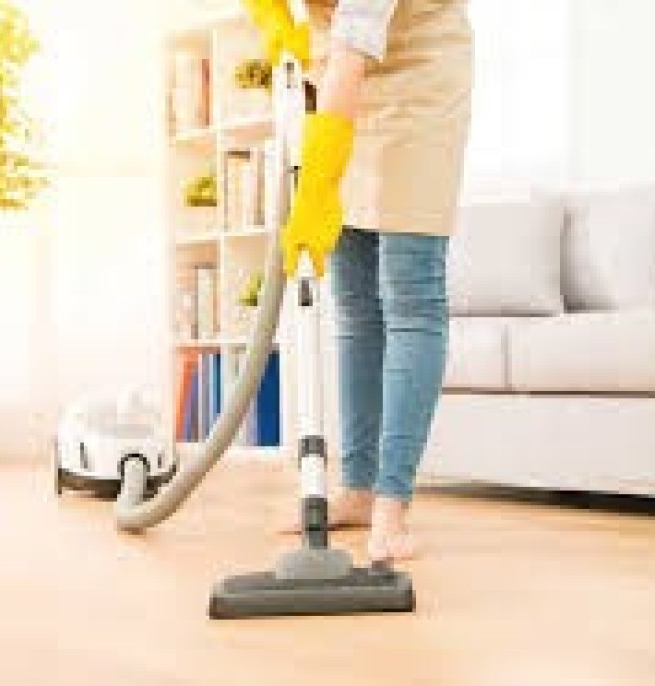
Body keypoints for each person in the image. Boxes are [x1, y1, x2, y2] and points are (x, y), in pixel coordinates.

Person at [242, 0, 473, 562]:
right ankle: (358, 490)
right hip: (337, 82)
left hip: (418, 76)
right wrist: (275, 23)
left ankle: (392, 505)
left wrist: (317, 187)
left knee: (410, 291)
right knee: (354, 304)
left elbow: (354, 50)